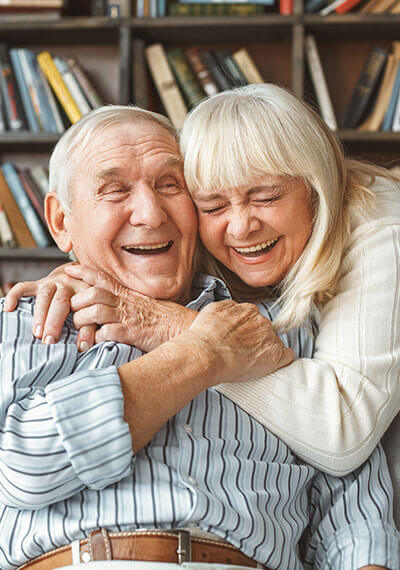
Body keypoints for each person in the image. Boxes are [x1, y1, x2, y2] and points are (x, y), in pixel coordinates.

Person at [0, 106, 397, 570]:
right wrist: (202, 353)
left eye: (170, 186)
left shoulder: (280, 328)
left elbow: (354, 518)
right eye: (115, 190)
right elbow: (27, 465)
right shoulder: (25, 320)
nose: (150, 214)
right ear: (61, 222)